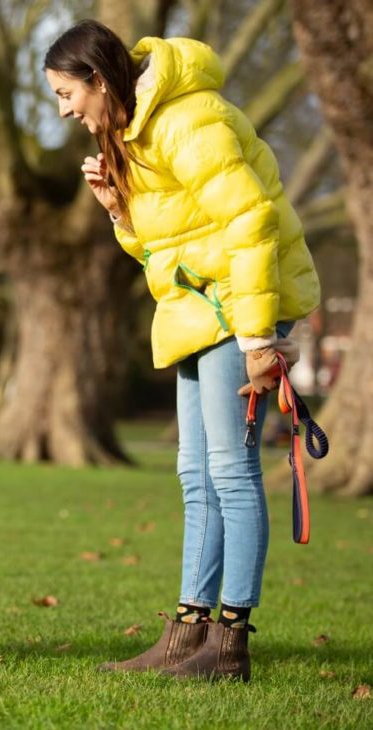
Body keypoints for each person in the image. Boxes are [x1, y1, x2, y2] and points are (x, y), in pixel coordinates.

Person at [43, 20, 320, 681]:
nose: (64, 111)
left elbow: (251, 220)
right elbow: (164, 249)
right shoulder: (139, 135)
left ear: (98, 80)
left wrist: (257, 341)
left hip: (235, 312)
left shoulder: (188, 119)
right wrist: (119, 210)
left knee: (231, 473)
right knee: (197, 478)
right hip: (198, 314)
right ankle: (185, 634)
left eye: (65, 93)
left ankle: (229, 646)